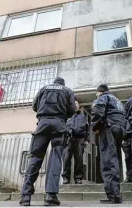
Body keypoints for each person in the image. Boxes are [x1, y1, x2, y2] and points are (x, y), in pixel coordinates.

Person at [20, 77, 76, 207]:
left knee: (35, 158)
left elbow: (35, 106)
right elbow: (72, 109)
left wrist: (44, 113)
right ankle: (50, 196)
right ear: (63, 83)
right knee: (56, 158)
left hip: (42, 125)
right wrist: (63, 115)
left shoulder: (44, 88)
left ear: (54, 82)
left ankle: (25, 196)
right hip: (59, 125)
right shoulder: (67, 91)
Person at [91, 84, 126, 204]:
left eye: (96, 93)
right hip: (119, 129)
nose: (96, 95)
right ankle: (115, 192)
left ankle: (113, 195)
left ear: (99, 92)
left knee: (108, 161)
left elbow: (98, 110)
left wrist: (94, 126)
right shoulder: (117, 101)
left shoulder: (103, 97)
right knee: (115, 160)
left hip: (108, 129)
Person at [62, 101, 90, 184]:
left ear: (79, 106)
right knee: (66, 159)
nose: (75, 105)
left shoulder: (83, 116)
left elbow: (87, 128)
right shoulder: (67, 115)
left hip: (80, 139)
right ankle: (66, 178)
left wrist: (87, 140)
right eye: (74, 104)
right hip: (68, 139)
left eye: (77, 104)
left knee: (79, 160)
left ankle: (78, 178)